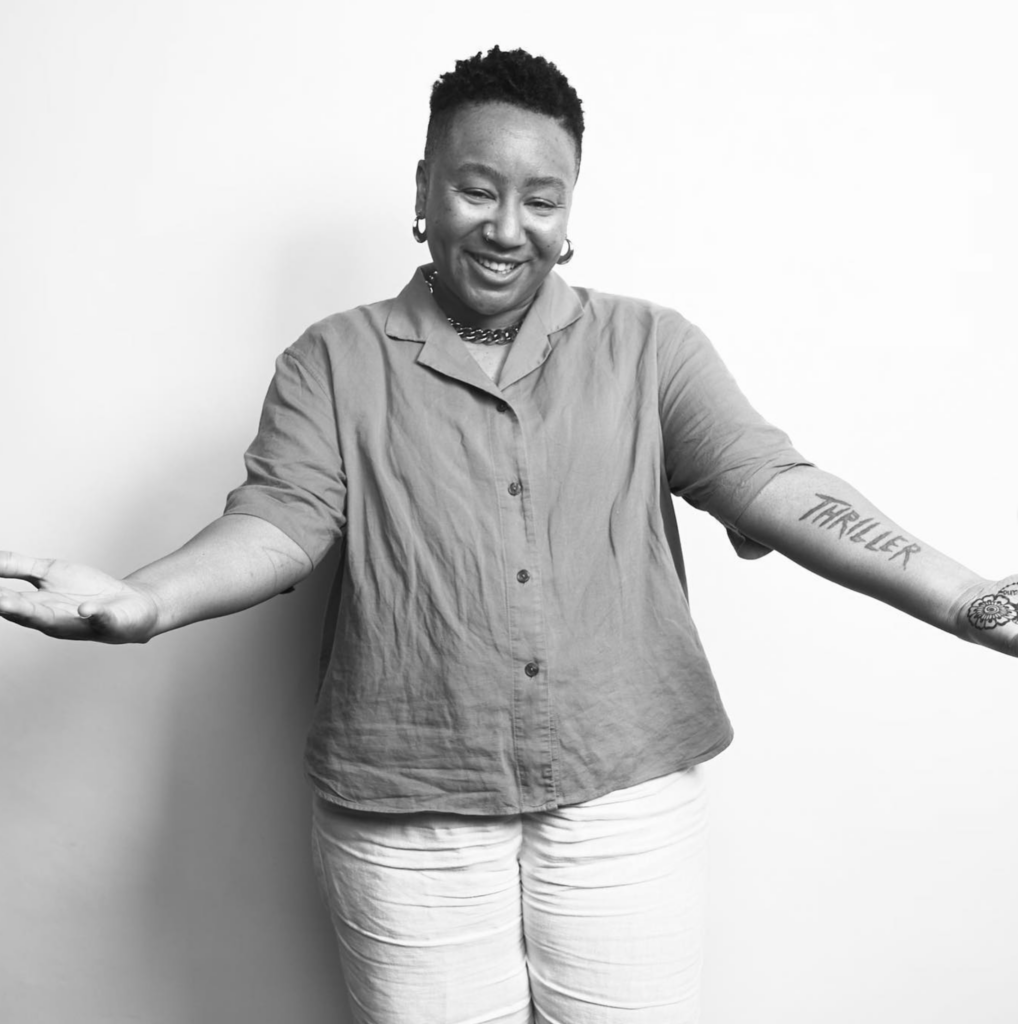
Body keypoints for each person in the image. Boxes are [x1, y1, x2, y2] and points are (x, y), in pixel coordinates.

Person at [1, 45, 1015, 1024]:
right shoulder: (333, 361)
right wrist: (146, 598)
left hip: (624, 795)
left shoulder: (649, 347)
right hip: (407, 812)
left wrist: (967, 599)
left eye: (542, 198)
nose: (505, 226)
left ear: (569, 211)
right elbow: (279, 519)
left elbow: (775, 484)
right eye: (476, 189)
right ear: (424, 190)